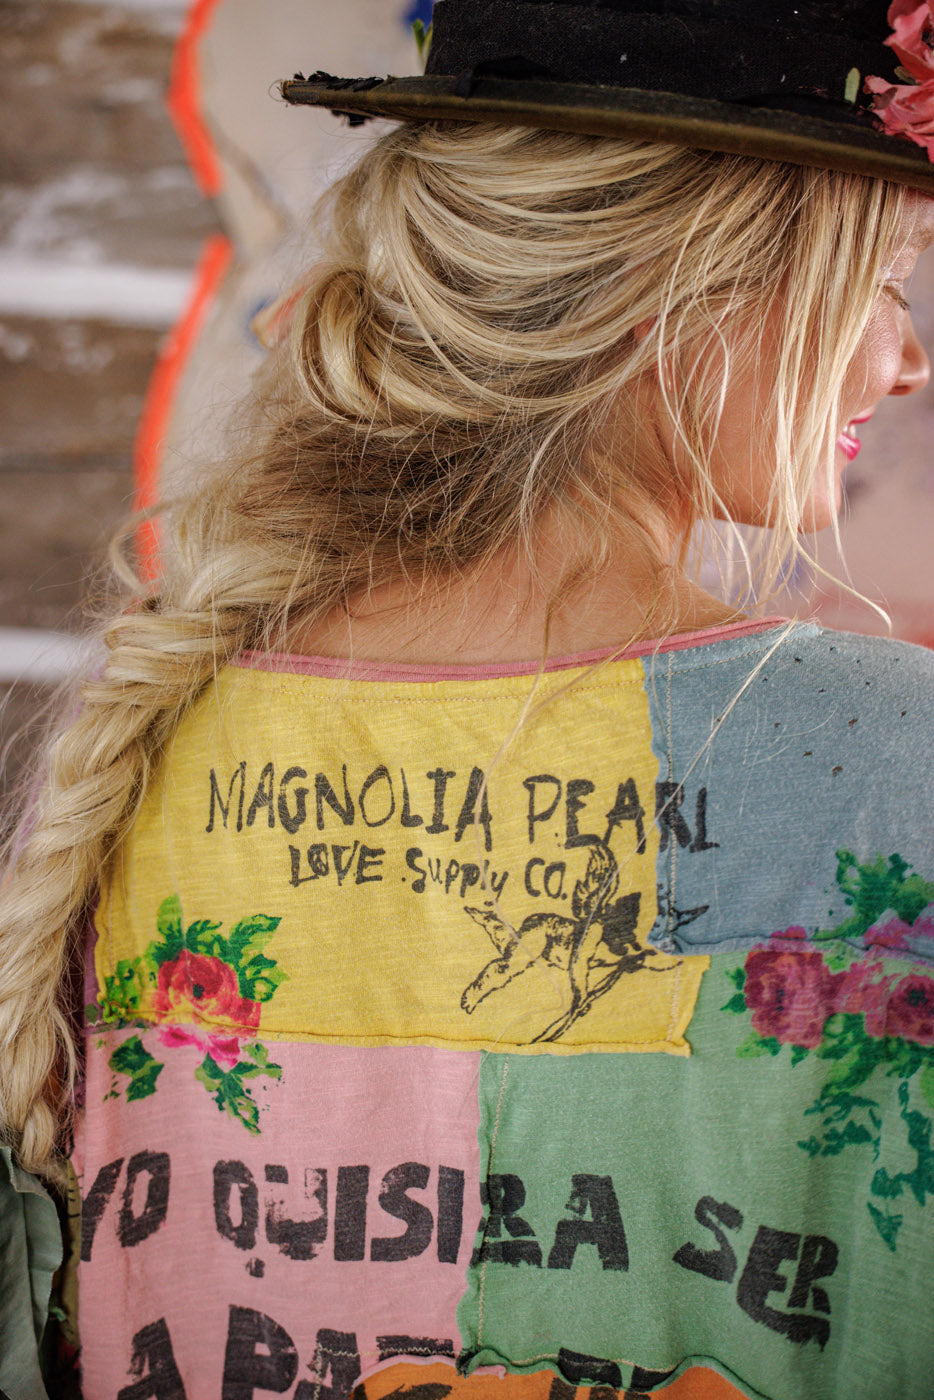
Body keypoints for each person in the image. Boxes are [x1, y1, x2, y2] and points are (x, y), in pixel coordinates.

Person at [3, 1, 934, 1396]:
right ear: (679, 289)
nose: (907, 360)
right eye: (884, 285)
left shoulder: (159, 723)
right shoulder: (899, 758)